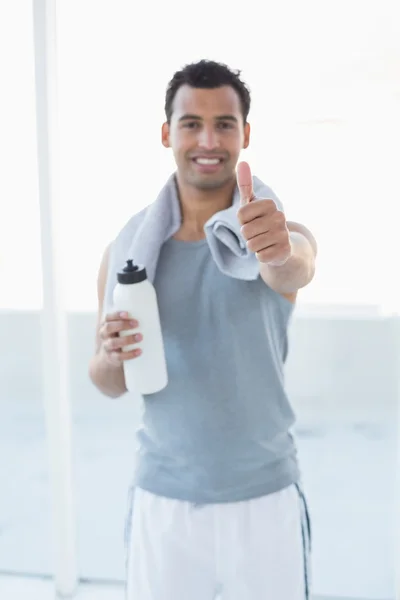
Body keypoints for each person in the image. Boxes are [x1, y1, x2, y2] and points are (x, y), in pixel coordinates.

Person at [89, 59, 317, 600]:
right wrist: (111, 355)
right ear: (168, 132)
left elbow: (294, 267)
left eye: (225, 123)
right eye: (191, 122)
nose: (208, 139)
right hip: (164, 505)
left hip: (265, 502)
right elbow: (106, 381)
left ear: (245, 134)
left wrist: (280, 249)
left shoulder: (274, 232)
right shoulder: (126, 250)